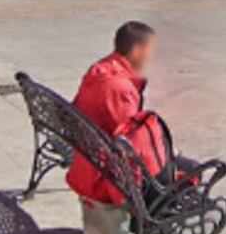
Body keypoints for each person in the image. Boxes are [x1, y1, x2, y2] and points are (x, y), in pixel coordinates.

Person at [66, 21, 181, 206]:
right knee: (190, 168)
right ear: (137, 50)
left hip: (90, 152)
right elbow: (131, 142)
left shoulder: (101, 68)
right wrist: (168, 153)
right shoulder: (120, 88)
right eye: (151, 50)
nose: (153, 56)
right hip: (106, 169)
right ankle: (159, 216)